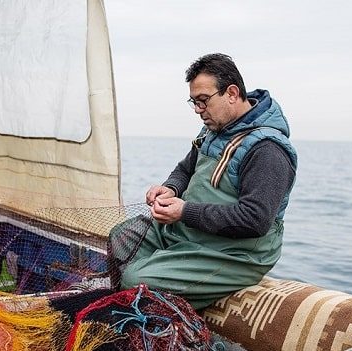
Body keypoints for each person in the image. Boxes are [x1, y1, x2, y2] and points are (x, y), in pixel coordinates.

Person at [120, 53, 297, 310]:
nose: (198, 110)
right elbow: (185, 169)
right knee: (122, 236)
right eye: (193, 102)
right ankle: (164, 274)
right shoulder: (213, 130)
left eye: (203, 101)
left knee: (135, 281)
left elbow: (255, 219)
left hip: (237, 252)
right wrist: (170, 188)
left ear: (232, 93)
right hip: (194, 233)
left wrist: (184, 211)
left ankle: (155, 297)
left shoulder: (268, 150)